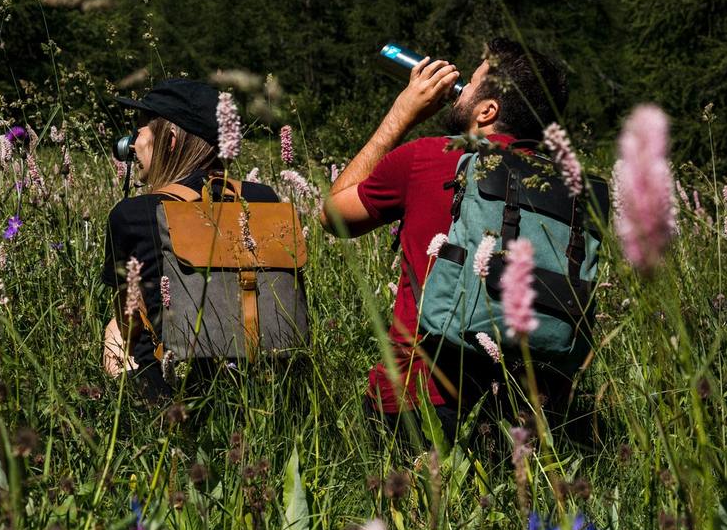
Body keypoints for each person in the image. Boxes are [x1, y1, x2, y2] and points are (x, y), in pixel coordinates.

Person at [320, 37, 573, 439]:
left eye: (470, 84)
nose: (459, 88)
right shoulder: (565, 188)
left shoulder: (428, 157)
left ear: (488, 110)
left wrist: (401, 114)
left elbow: (333, 216)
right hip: (522, 410)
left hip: (417, 399)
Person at [102, 78, 279, 401]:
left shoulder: (131, 214)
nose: (131, 144)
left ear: (169, 140)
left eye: (139, 131)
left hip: (169, 394)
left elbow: (130, 320)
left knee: (115, 328)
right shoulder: (264, 198)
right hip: (266, 386)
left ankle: (141, 411)